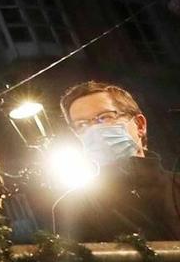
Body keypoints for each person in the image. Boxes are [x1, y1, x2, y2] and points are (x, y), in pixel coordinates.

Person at [52, 80, 180, 242]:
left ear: (140, 125)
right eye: (82, 125)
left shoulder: (176, 186)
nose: (94, 130)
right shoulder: (71, 208)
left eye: (104, 117)